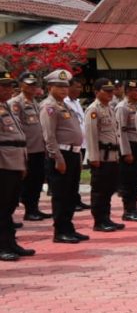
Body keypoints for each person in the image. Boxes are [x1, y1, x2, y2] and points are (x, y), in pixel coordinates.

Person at [40, 69, 88, 243]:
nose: (63, 90)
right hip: (61, 154)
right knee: (61, 195)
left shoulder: (65, 105)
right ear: (49, 87)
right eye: (59, 86)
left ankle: (68, 227)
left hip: (73, 153)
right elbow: (49, 136)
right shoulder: (49, 107)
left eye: (65, 86)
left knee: (71, 194)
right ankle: (60, 231)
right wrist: (57, 158)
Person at [83, 78, 125, 232]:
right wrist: (94, 158)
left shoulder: (109, 108)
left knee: (108, 189)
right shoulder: (93, 110)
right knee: (100, 190)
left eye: (111, 90)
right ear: (96, 92)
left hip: (112, 156)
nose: (110, 93)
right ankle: (99, 221)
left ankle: (106, 218)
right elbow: (91, 135)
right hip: (101, 156)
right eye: (106, 91)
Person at [0, 70, 32, 261]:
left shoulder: (6, 107)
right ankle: (3, 246)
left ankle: (10, 242)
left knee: (10, 206)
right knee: (2, 207)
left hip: (14, 162)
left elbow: (18, 138)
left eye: (10, 86)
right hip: (3, 164)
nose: (8, 89)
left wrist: (22, 163)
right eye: (3, 86)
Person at [10, 72, 49, 221]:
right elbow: (16, 127)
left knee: (37, 180)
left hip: (38, 149)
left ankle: (34, 208)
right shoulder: (16, 103)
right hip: (26, 150)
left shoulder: (35, 102)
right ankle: (27, 211)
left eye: (34, 84)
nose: (32, 87)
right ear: (21, 85)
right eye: (29, 84)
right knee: (25, 183)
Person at [116, 80, 137, 222]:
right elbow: (120, 132)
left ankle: (133, 208)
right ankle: (128, 210)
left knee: (135, 180)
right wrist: (126, 152)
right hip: (129, 146)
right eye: (136, 91)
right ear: (128, 92)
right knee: (128, 180)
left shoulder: (136, 107)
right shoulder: (122, 108)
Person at [64, 80, 90, 212]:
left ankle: (76, 198)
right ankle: (71, 201)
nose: (80, 89)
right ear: (69, 88)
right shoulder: (65, 102)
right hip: (69, 145)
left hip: (81, 144)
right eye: (77, 86)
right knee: (69, 176)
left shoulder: (77, 102)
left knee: (76, 175)